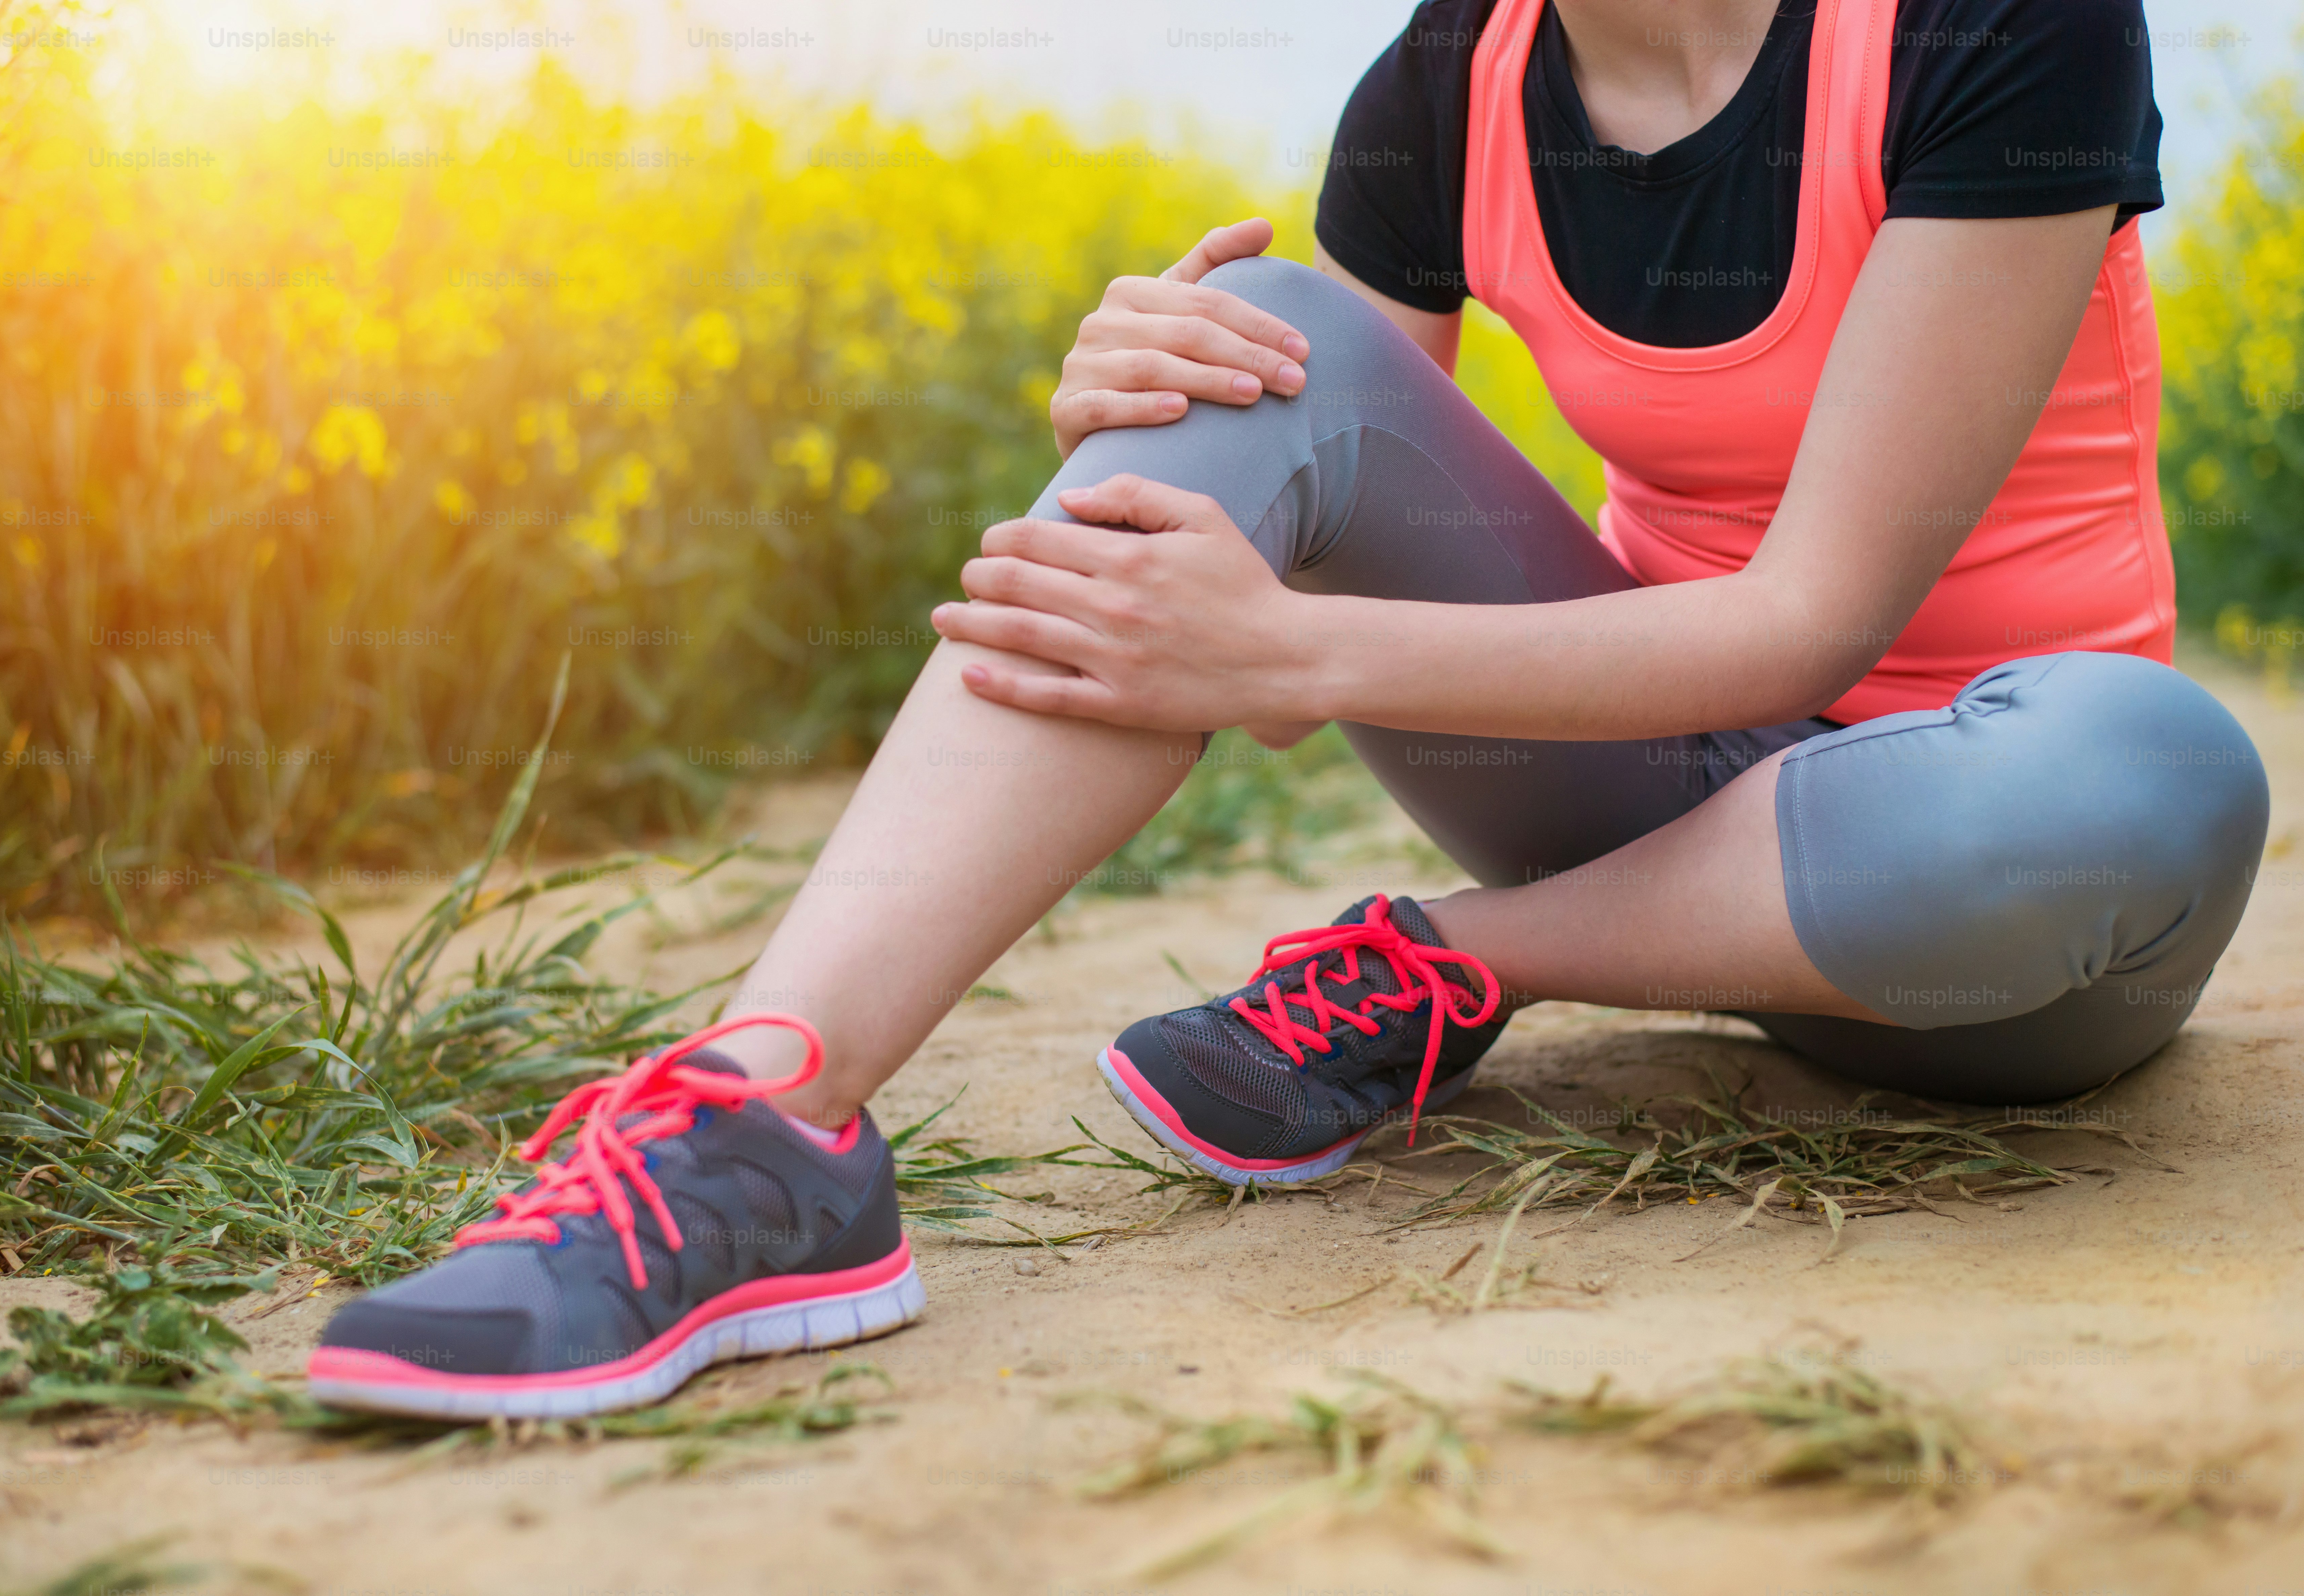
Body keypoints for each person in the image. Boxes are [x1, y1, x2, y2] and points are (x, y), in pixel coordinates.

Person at [308, 0, 2266, 1418]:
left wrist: (1290, 659)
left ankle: (1458, 963)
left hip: (2000, 925)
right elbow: (1321, 480)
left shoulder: (1999, 26)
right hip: (1642, 787)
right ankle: (761, 1124)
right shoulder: (1452, 77)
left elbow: (1807, 627)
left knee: (2151, 769)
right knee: (1257, 347)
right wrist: (1149, 411)